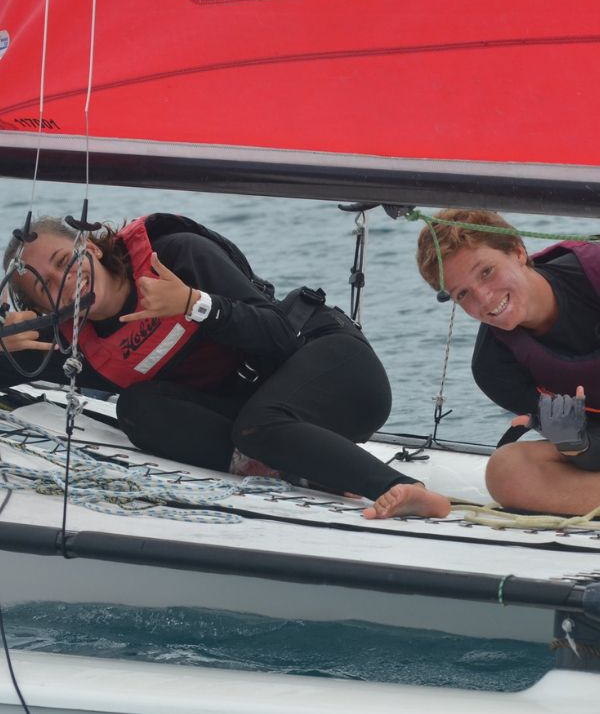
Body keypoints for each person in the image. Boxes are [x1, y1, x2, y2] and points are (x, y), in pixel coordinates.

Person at [0, 212, 450, 519]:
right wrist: (5, 349)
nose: (64, 282)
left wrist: (195, 304)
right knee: (137, 409)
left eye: (65, 262)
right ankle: (304, 470)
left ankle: (406, 487)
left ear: (92, 249)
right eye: (46, 288)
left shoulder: (176, 256)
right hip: (271, 429)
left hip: (339, 372)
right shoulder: (77, 347)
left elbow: (278, 334)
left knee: (259, 425)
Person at [414, 208, 600, 517]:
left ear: (518, 252)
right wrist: (577, 445)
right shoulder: (494, 366)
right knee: (507, 470)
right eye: (463, 294)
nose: (485, 299)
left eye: (486, 271)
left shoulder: (593, 272)